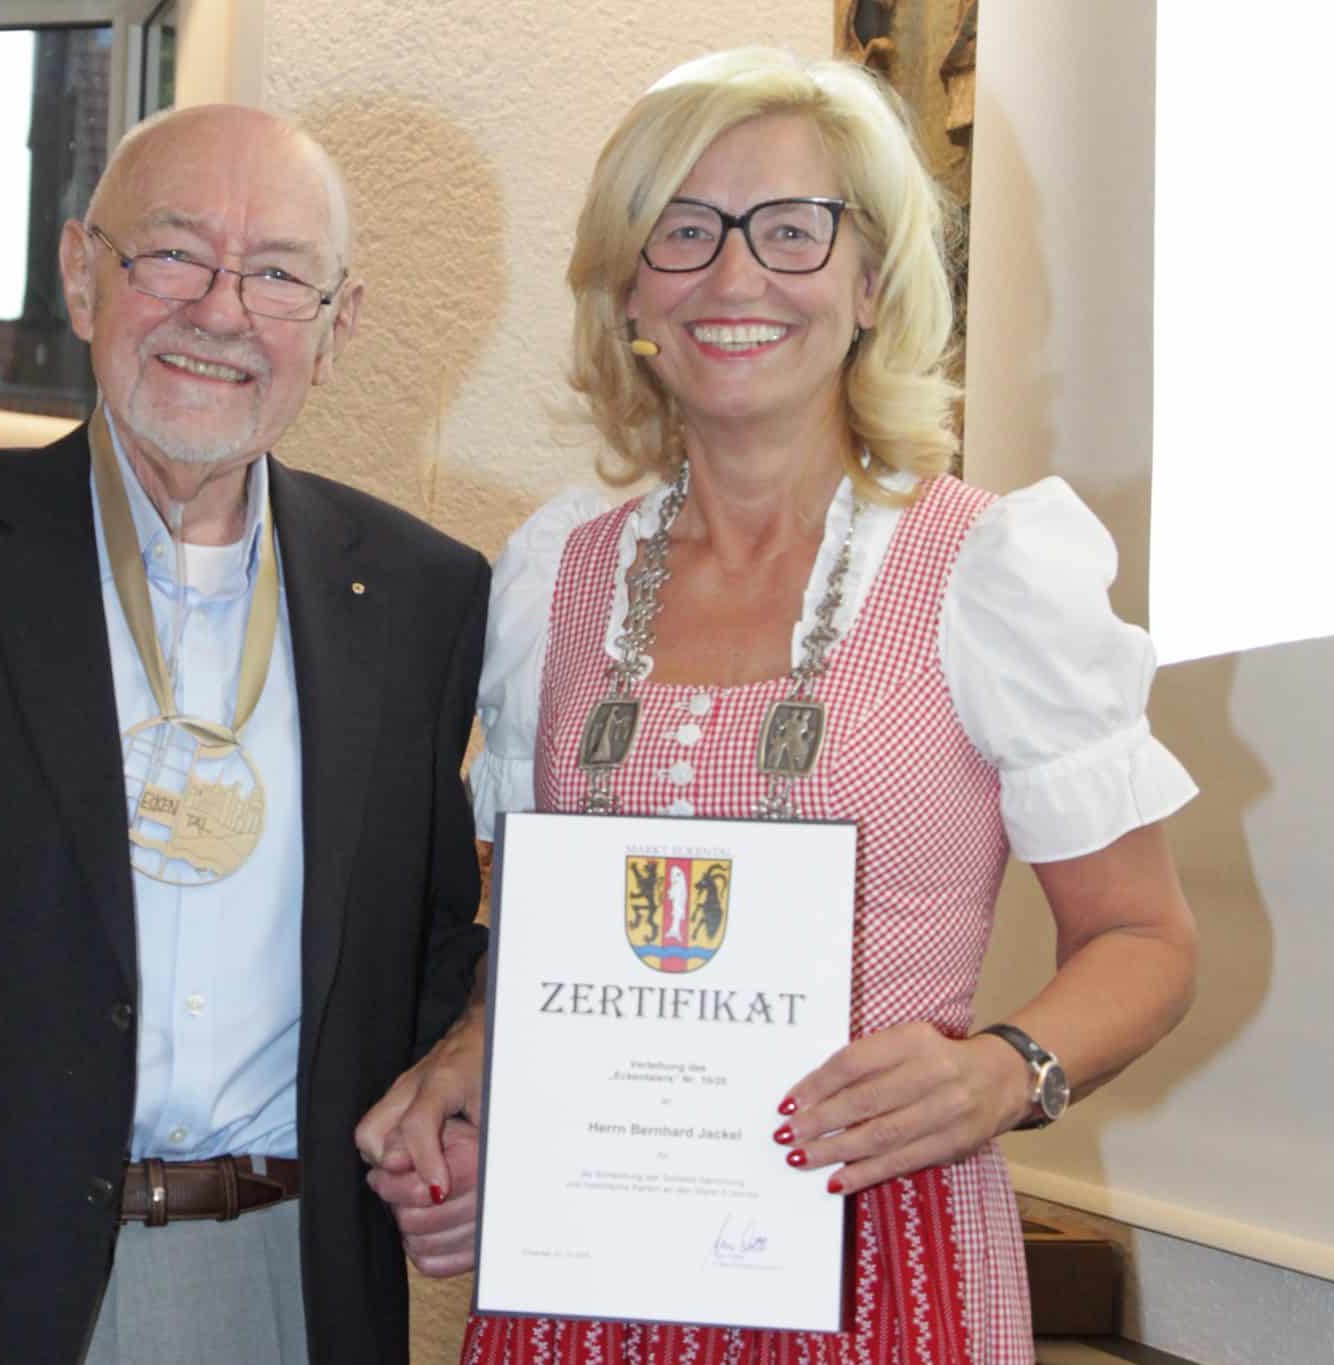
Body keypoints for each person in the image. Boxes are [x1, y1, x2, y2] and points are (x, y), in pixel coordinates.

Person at [361, 48, 1199, 1364]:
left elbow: (1147, 940)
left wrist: (998, 1069)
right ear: (629, 283)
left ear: (873, 280)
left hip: (890, 1252)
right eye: (682, 231)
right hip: (595, 1261)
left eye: (792, 230)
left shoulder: (989, 572)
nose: (735, 277)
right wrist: (474, 1067)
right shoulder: (556, 573)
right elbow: (528, 926)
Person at [0, 103, 491, 1365]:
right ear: (78, 272)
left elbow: (424, 952)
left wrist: (470, 1105)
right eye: (172, 253)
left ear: (337, 326)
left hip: (279, 1288)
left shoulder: (422, 596)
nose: (220, 310)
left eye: (277, 273)